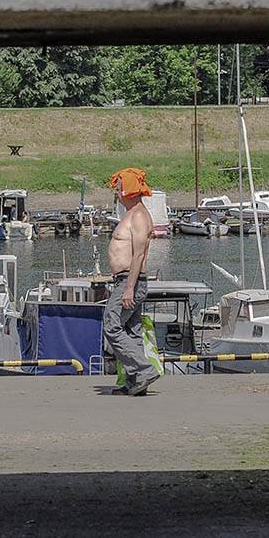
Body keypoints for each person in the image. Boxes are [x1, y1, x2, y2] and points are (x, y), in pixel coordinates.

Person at [105, 167, 160, 396]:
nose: (116, 193)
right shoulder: (131, 214)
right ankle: (136, 382)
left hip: (130, 281)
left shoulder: (138, 215)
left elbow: (138, 254)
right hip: (125, 280)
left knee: (112, 324)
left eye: (119, 189)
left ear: (129, 190)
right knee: (132, 329)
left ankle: (144, 369)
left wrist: (129, 288)